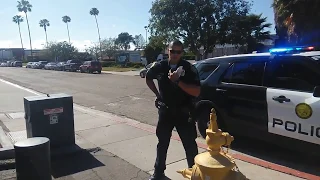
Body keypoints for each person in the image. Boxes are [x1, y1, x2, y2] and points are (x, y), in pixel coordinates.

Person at [146, 40, 201, 180]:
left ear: (182, 52)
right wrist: (158, 95)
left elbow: (196, 92)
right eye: (172, 51)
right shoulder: (160, 66)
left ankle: (195, 175)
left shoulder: (189, 68)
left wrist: (177, 81)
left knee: (190, 146)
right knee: (162, 143)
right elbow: (148, 77)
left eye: (178, 51)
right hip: (166, 112)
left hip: (184, 113)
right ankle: (158, 173)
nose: (175, 54)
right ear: (167, 51)